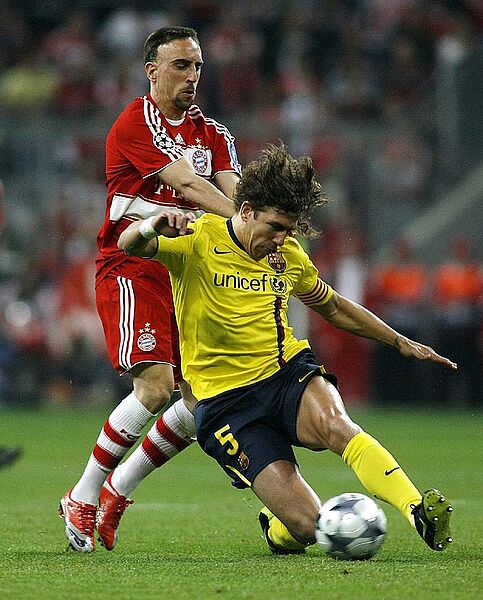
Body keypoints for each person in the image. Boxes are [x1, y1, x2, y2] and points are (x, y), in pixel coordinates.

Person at [116, 144, 456, 555]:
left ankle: (417, 509)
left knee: (338, 426)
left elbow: (331, 306)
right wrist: (151, 225)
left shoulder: (287, 255)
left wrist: (398, 340)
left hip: (284, 373)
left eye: (288, 230)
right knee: (310, 527)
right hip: (226, 405)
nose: (280, 239)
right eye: (275, 227)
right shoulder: (198, 239)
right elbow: (128, 244)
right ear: (245, 211)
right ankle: (278, 527)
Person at [59, 26, 241, 553]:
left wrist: (261, 218)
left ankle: (119, 488)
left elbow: (236, 191)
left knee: (201, 399)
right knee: (157, 387)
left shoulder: (215, 135)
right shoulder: (136, 122)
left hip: (187, 273)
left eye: (198, 66)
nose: (192, 76)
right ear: (152, 70)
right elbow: (188, 185)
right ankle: (82, 494)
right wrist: (245, 224)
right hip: (133, 264)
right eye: (181, 65)